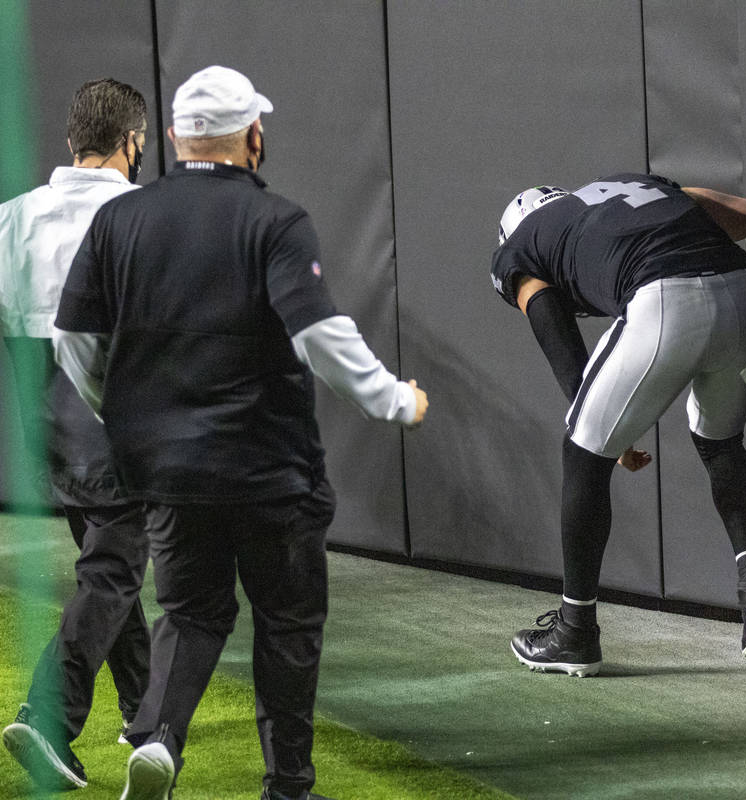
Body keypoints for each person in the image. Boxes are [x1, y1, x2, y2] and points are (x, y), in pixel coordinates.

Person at [52, 65, 428, 800]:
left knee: (190, 612)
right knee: (287, 625)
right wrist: (393, 400)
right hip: (269, 470)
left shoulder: (119, 220)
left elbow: (74, 339)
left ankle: (158, 736)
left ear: (168, 138)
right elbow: (318, 331)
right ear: (254, 136)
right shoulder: (275, 221)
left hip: (168, 472)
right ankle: (287, 785)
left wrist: (125, 414)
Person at [491, 174, 746, 676]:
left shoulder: (521, 247)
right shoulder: (638, 187)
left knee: (582, 450)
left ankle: (575, 631)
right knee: (720, 440)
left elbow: (554, 328)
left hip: (664, 296)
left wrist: (604, 433)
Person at [0, 77, 150, 791]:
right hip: (117, 417)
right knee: (114, 569)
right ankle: (50, 715)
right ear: (132, 143)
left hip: (46, 427)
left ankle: (145, 714)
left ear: (71, 141)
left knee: (107, 566)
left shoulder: (11, 219)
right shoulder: (143, 216)